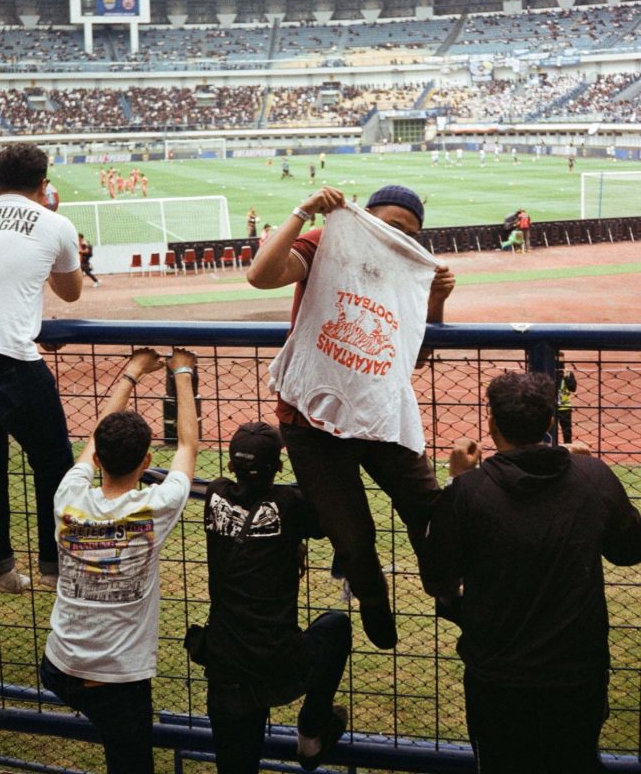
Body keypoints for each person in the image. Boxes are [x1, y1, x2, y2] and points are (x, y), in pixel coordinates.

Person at [247, 185, 455, 649]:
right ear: (363, 215)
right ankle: (372, 598)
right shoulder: (326, 240)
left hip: (378, 413)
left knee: (430, 510)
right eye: (391, 224)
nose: (397, 236)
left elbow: (412, 358)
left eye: (410, 234)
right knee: (352, 537)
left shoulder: (406, 266)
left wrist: (436, 302)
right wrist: (303, 211)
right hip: (310, 417)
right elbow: (260, 277)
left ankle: (445, 590)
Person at [421, 371, 641, 774]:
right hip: (577, 675)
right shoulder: (592, 478)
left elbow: (437, 576)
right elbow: (629, 551)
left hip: (498, 676)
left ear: (491, 423)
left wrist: (456, 482)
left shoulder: (469, 491)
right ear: (551, 424)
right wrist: (593, 479)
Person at [40, 347, 200, 774]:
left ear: (96, 462)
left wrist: (131, 372)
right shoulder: (158, 506)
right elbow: (188, 444)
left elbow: (93, 441)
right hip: (115, 680)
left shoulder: (67, 497)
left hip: (57, 664)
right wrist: (181, 371)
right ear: (147, 462)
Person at [0, 144, 82, 594]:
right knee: (54, 463)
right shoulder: (55, 222)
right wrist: (52, 218)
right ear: (44, 183)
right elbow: (70, 293)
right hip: (10, 357)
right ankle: (55, 566)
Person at [199, 421, 351, 774]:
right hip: (279, 661)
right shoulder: (291, 503)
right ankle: (311, 733)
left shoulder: (215, 494)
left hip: (226, 669)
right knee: (336, 627)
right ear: (278, 468)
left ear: (231, 466)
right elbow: (327, 508)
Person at [556, 353, 577, 444]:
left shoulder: (568, 374)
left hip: (565, 407)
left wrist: (566, 378)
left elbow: (573, 388)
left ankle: (568, 447)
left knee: (567, 431)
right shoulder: (550, 372)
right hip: (552, 406)